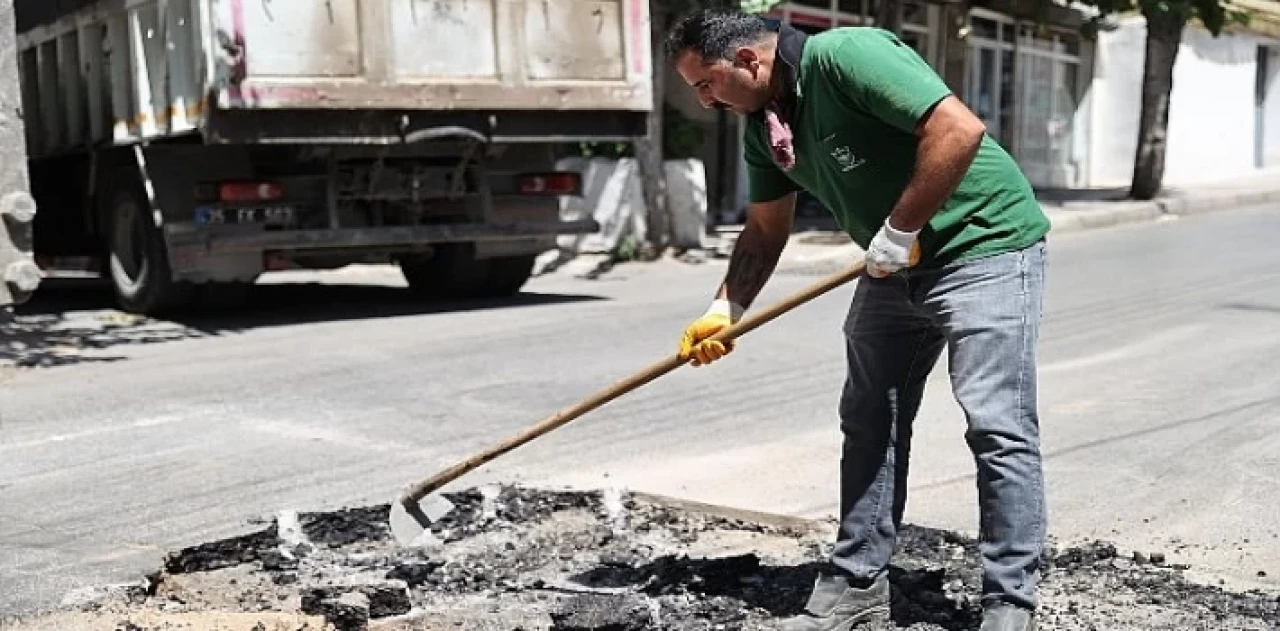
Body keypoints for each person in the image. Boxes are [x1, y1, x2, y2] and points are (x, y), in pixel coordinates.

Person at [666, 9, 1051, 631]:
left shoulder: (847, 55)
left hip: (986, 248)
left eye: (705, 84)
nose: (705, 101)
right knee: (870, 419)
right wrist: (724, 310)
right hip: (893, 265)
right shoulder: (765, 125)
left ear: (747, 60)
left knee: (996, 423)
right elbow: (764, 228)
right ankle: (857, 585)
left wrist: (898, 231)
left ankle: (1010, 604)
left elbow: (959, 129)